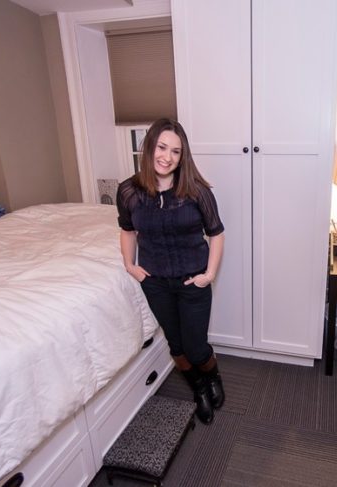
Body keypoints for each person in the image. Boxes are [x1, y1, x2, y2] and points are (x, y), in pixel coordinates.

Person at [116, 118, 225, 424]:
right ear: (149, 146)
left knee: (195, 346)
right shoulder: (129, 191)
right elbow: (127, 230)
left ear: (182, 156)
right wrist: (130, 265)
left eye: (176, 152)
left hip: (193, 281)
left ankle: (212, 375)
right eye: (162, 147)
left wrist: (210, 274)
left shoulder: (196, 191)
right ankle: (199, 388)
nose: (167, 157)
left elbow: (216, 233)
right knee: (176, 345)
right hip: (156, 283)